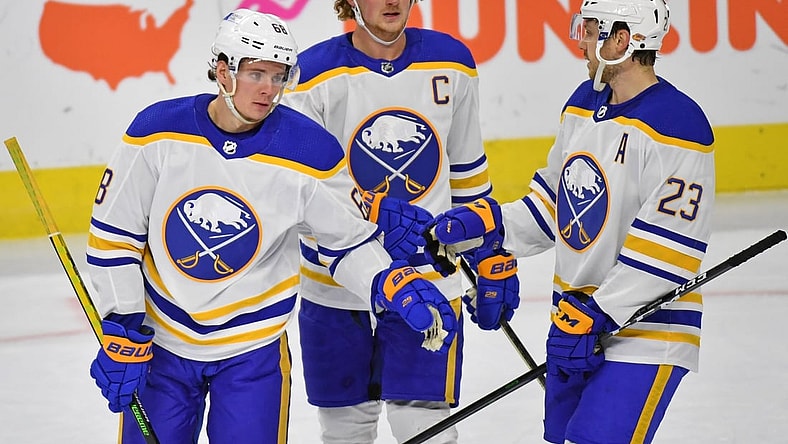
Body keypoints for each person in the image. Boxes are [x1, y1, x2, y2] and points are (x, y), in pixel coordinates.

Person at [84, 9, 456, 443]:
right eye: (256, 73)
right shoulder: (156, 133)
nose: (268, 89)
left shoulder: (309, 149)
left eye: (279, 76)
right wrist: (122, 325)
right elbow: (113, 239)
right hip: (162, 345)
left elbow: (347, 242)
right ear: (222, 71)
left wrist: (389, 282)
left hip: (253, 351)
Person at [429, 1, 715, 443]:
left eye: (592, 29)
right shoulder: (583, 105)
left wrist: (600, 311)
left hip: (644, 328)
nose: (581, 39)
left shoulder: (678, 123)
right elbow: (554, 206)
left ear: (623, 39)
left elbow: (671, 248)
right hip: (573, 321)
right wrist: (491, 226)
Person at [280, 1, 499, 442]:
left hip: (428, 281)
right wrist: (375, 224)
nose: (393, 2)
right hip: (334, 284)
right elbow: (304, 190)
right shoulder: (312, 75)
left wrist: (488, 253)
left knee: (426, 427)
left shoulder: (451, 61)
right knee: (346, 431)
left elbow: (467, 173)